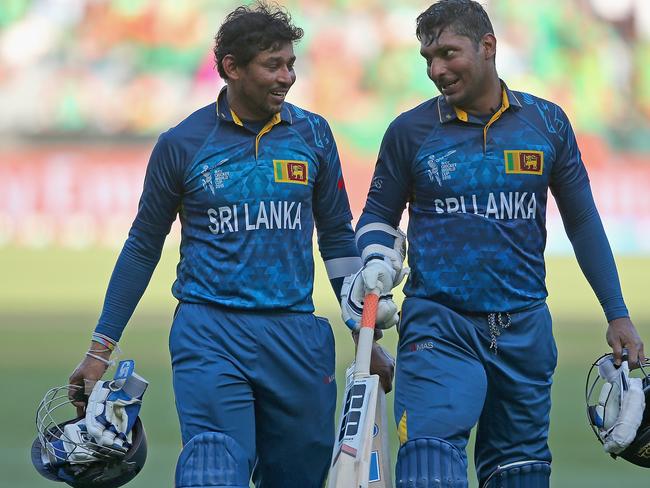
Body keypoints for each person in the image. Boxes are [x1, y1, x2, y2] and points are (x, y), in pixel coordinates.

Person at [67, 3, 396, 487]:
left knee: (299, 477)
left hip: (295, 336)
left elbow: (337, 238)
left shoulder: (314, 135)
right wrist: (100, 348)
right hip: (210, 332)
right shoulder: (182, 144)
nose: (287, 77)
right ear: (231, 68)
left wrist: (361, 331)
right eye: (273, 65)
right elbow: (142, 246)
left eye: (291, 65)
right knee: (213, 466)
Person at [351, 1, 645, 486]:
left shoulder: (546, 124)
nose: (437, 69)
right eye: (427, 57)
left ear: (488, 46)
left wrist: (616, 312)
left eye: (448, 52)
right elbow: (377, 218)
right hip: (438, 326)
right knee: (429, 468)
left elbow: (584, 221)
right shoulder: (410, 131)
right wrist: (375, 263)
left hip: (524, 330)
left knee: (521, 473)